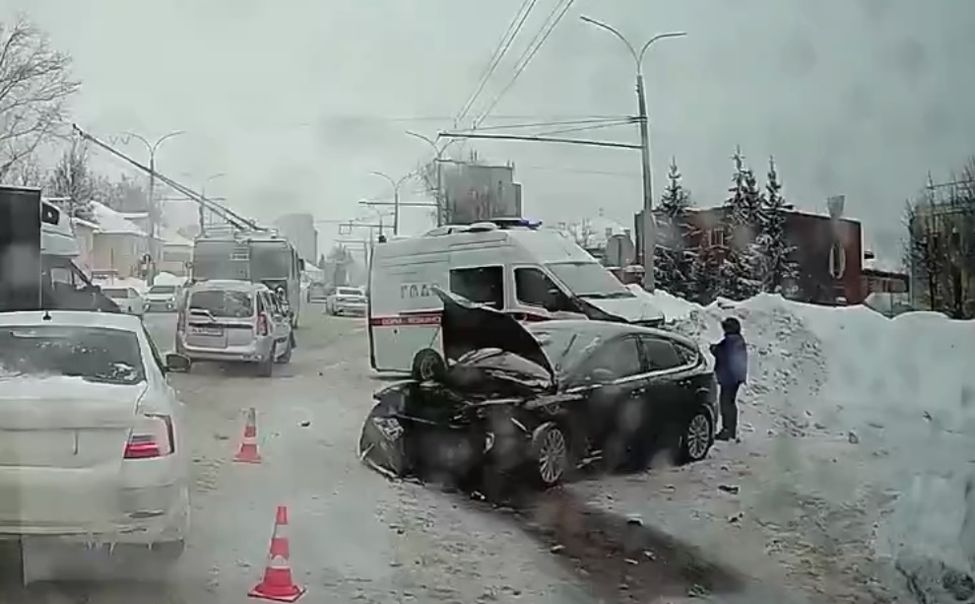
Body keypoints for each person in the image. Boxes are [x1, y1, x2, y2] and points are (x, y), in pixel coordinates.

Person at [709, 317, 748, 441]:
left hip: (729, 378)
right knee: (730, 403)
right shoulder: (738, 340)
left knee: (726, 403)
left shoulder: (730, 341)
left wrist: (714, 349)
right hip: (735, 377)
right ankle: (731, 430)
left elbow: (723, 354)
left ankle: (727, 430)